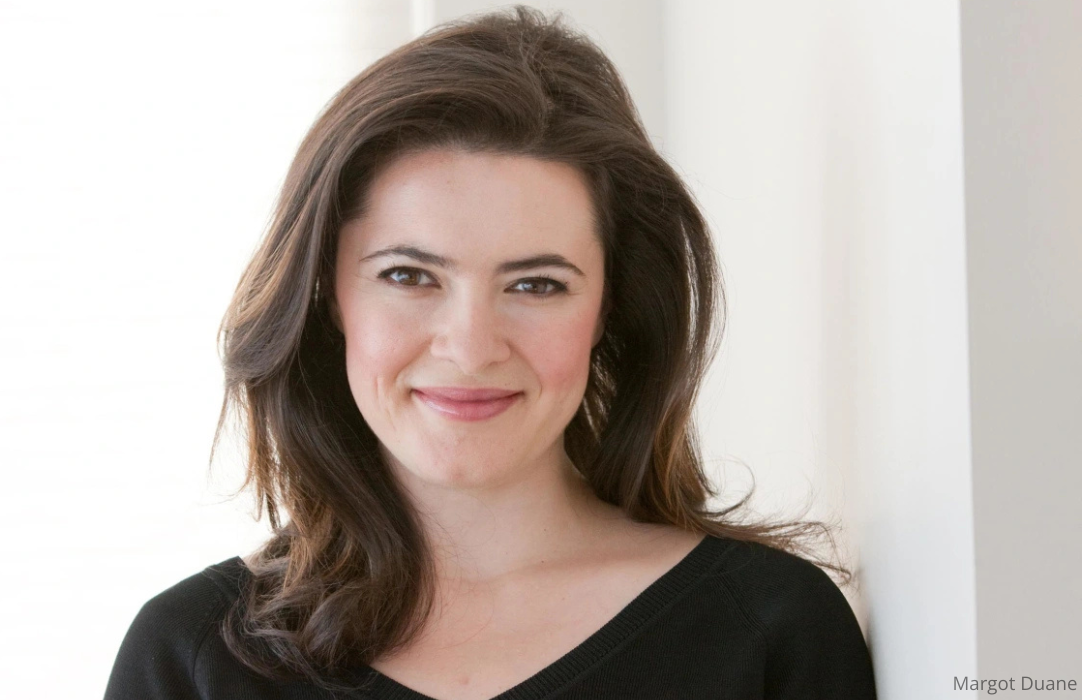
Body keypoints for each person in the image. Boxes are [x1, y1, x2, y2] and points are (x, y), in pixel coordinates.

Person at [103, 6, 877, 699]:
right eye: (409, 276)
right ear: (327, 297)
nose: (471, 349)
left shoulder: (769, 631)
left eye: (537, 285)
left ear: (611, 306)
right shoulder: (192, 657)